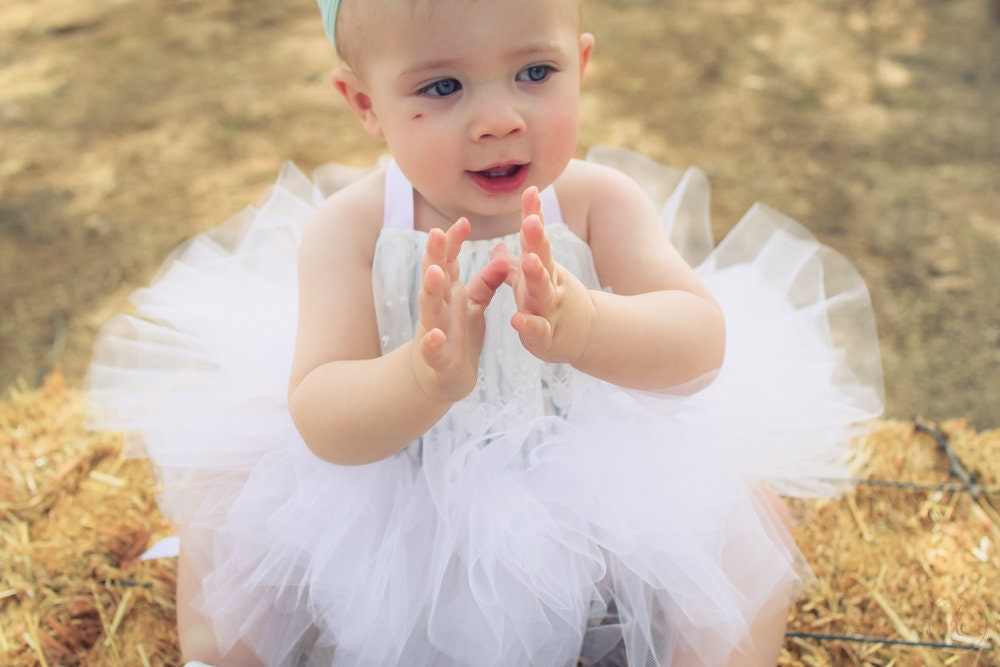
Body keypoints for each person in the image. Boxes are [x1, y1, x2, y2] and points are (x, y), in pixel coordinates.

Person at [87, 0, 884, 665]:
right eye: (442, 85)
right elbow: (322, 413)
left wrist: (591, 324)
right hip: (395, 483)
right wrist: (421, 378)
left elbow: (699, 344)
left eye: (536, 73)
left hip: (587, 472)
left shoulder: (600, 203)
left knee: (746, 521)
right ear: (366, 104)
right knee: (226, 503)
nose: (499, 119)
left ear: (582, 62)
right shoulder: (352, 231)